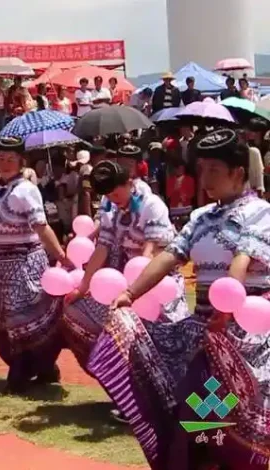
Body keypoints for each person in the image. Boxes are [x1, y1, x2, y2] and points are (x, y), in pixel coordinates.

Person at [91, 128, 270, 470]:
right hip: (206, 329)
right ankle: (210, 461)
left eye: (214, 169)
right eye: (202, 169)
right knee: (198, 408)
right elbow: (170, 255)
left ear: (238, 173)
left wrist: (225, 312)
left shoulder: (260, 212)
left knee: (230, 412)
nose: (205, 177)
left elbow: (241, 262)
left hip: (247, 335)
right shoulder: (201, 218)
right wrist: (130, 293)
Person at [61, 161, 190, 407]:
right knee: (114, 333)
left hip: (157, 283)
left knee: (166, 342)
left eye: (116, 192)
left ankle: (173, 400)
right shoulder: (112, 210)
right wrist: (83, 286)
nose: (113, 198)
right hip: (130, 286)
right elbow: (102, 247)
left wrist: (137, 287)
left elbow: (150, 251)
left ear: (129, 183)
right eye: (108, 195)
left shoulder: (152, 206)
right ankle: (134, 397)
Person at [0, 137, 72, 394]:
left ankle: (20, 372)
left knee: (20, 317)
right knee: (10, 316)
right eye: (1, 158)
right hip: (2, 259)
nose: (4, 163)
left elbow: (41, 226)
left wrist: (60, 254)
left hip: (26, 259)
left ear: (20, 162)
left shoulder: (27, 189)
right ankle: (45, 367)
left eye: (10, 159)